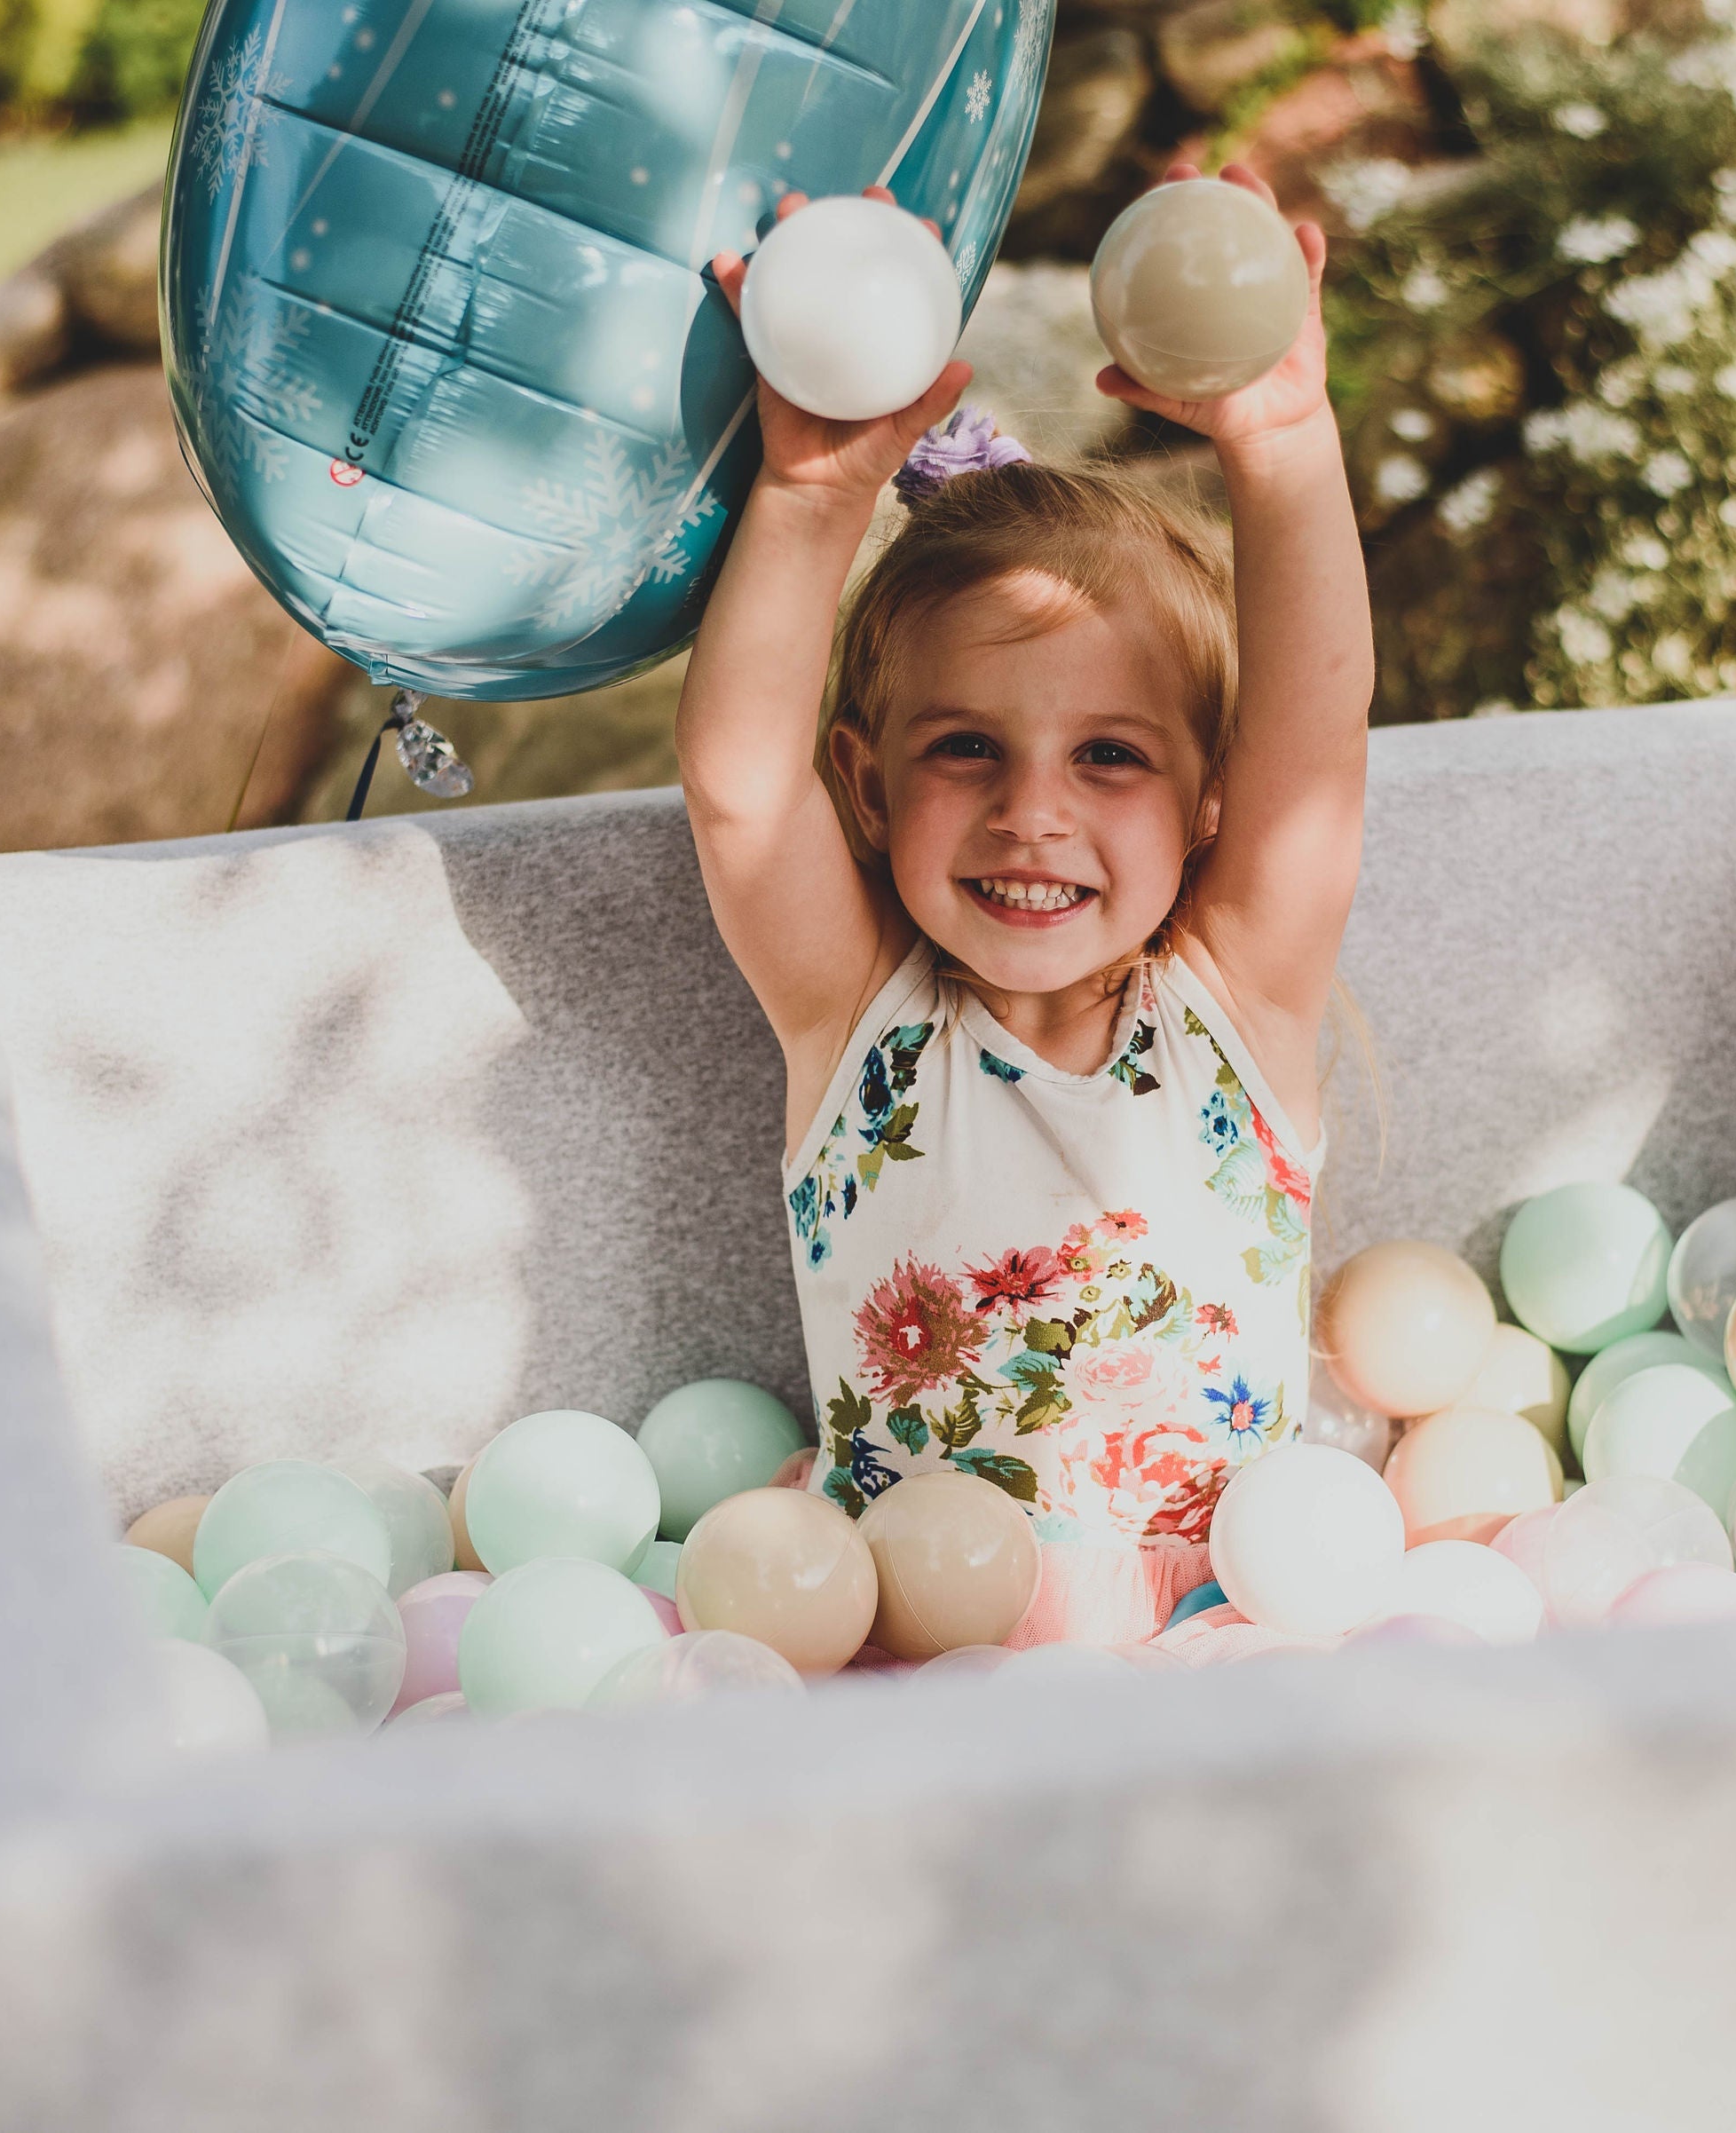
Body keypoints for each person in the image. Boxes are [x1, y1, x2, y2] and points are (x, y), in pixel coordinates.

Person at [678, 162, 1371, 1645]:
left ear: (1208, 800)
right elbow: (740, 785)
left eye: (1108, 756)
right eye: (965, 750)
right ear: (866, 790)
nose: (1032, 811)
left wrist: (1286, 442)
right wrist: (813, 494)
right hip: (906, 1647)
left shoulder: (1232, 1010)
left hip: (1232, 1643)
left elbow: (1317, 746)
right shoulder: (863, 1024)